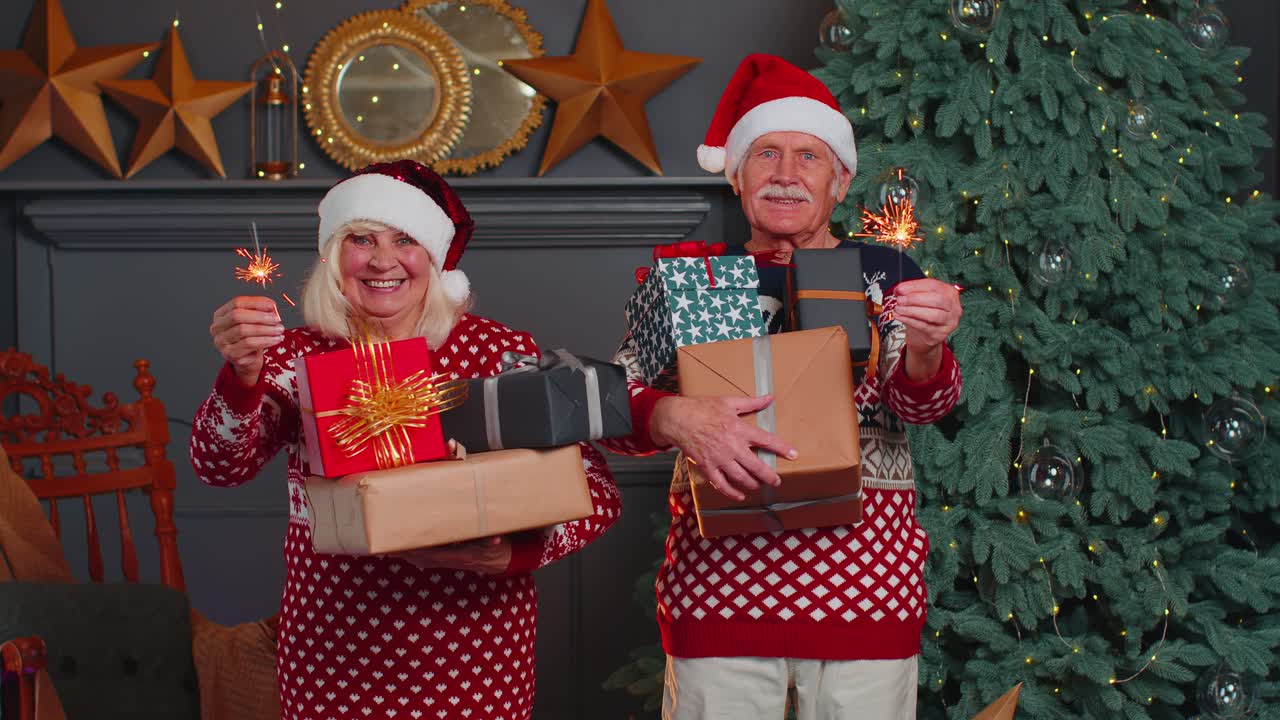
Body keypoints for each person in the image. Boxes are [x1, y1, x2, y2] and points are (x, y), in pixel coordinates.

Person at [189, 160, 621, 720]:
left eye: (405, 239)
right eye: (361, 239)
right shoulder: (292, 355)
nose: (382, 259)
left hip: (476, 652)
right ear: (334, 255)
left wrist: (513, 555)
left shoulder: (495, 352)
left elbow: (594, 488)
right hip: (333, 652)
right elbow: (220, 465)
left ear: (435, 257)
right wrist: (242, 375)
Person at [600, 54, 964, 719]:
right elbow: (613, 410)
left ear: (841, 181)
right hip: (720, 592)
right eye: (767, 154)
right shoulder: (690, 279)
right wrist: (674, 415)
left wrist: (928, 346)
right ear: (737, 174)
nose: (787, 175)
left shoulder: (883, 272)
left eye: (809, 157)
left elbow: (924, 404)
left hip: (866, 593)